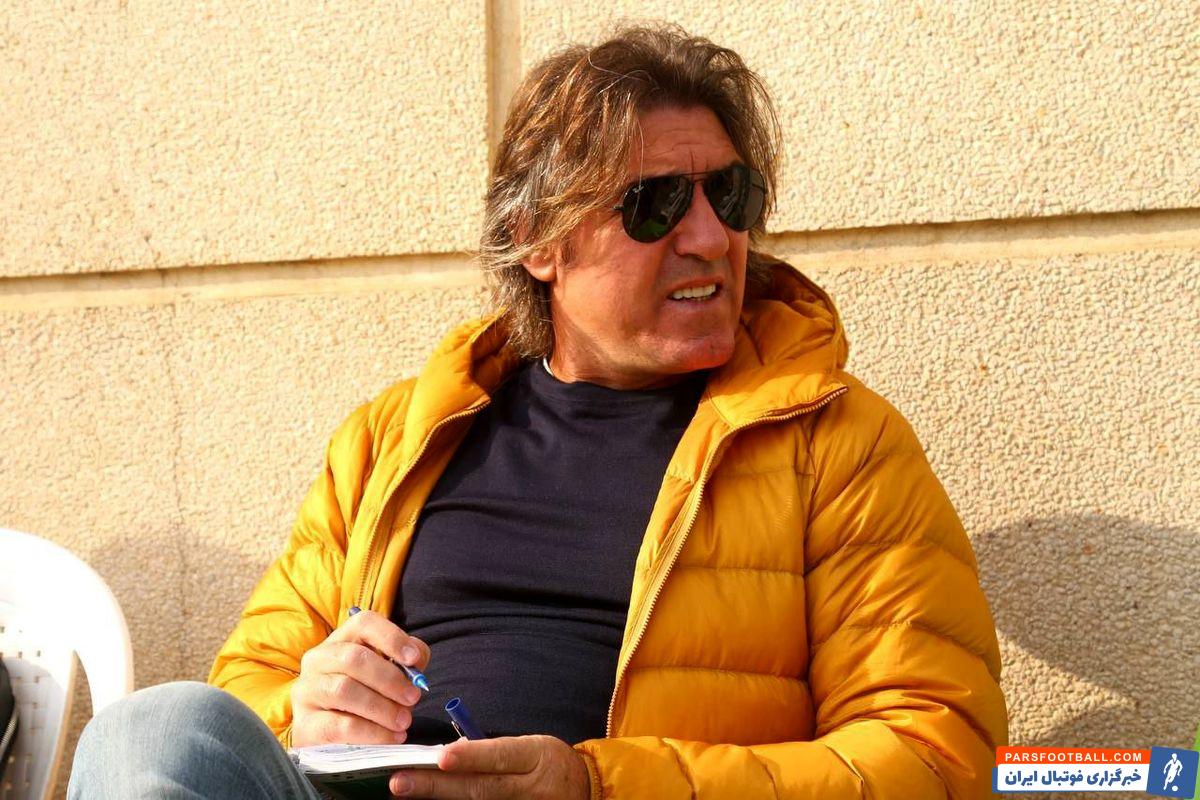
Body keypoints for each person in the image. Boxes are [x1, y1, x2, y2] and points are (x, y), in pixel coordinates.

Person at [69, 24, 1007, 799]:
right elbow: (243, 693)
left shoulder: (835, 445)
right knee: (154, 726)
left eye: (728, 194)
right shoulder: (395, 439)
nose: (709, 236)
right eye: (653, 205)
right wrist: (305, 712)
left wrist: (599, 785)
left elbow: (936, 754)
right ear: (536, 242)